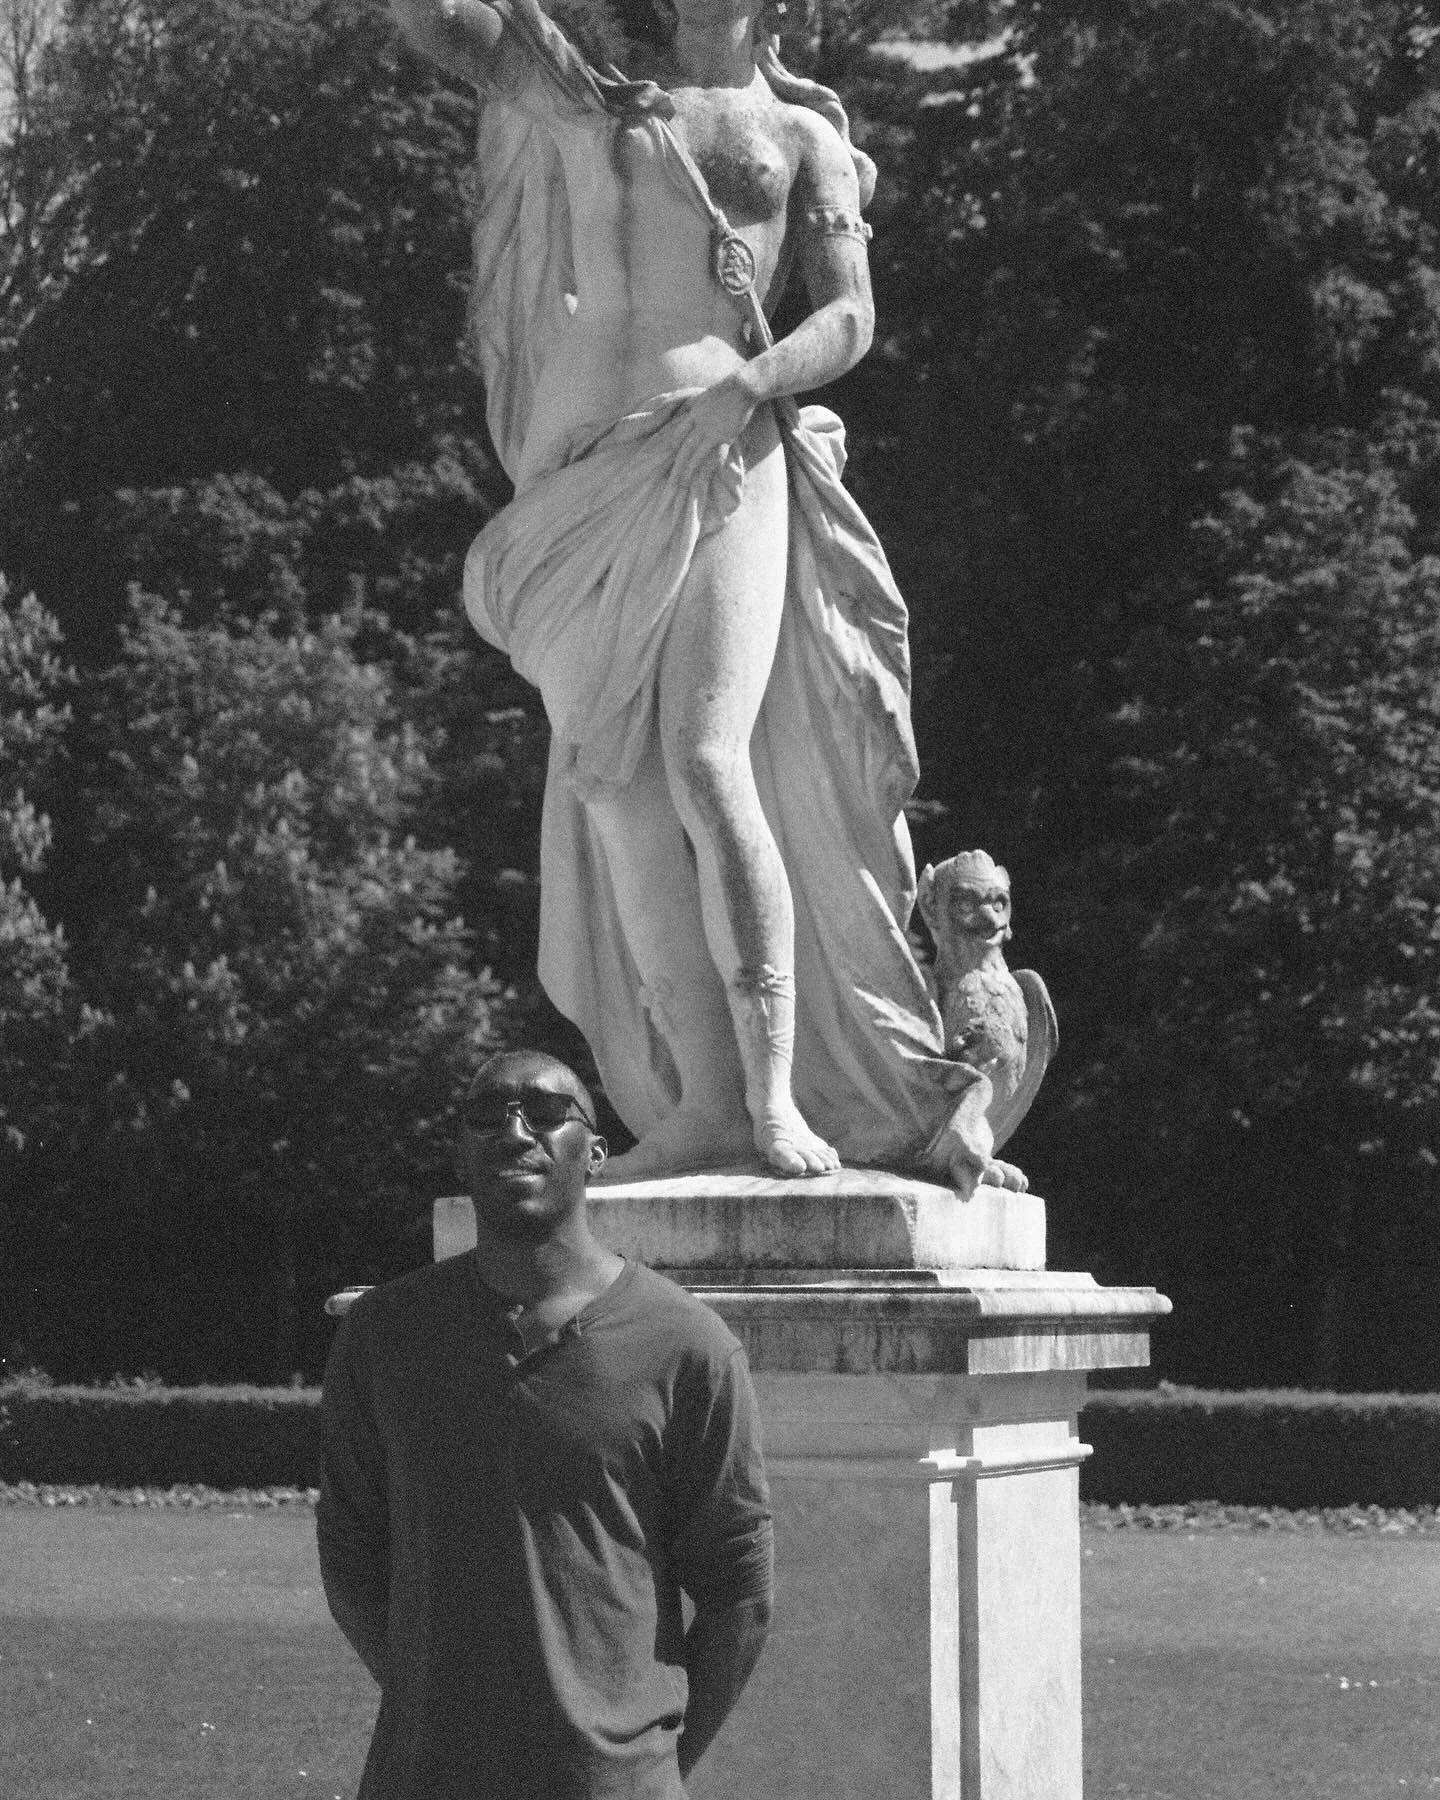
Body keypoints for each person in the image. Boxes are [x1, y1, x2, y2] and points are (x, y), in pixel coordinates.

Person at [391, 0, 965, 1187]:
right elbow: (444, 24)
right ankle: (704, 1106)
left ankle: (769, 1102)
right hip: (577, 482)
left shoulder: (799, 136)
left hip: (722, 451)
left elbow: (852, 312)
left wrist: (748, 383)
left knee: (708, 759)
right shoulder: (587, 88)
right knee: (614, 785)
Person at [317, 1049, 774, 1800]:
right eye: (487, 1115)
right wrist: (444, 1717)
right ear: (460, 1155)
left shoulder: (687, 1346)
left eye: (547, 1112)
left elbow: (740, 1596)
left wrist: (643, 1765)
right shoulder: (383, 1336)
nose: (515, 1129)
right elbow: (352, 1566)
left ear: (594, 1155)